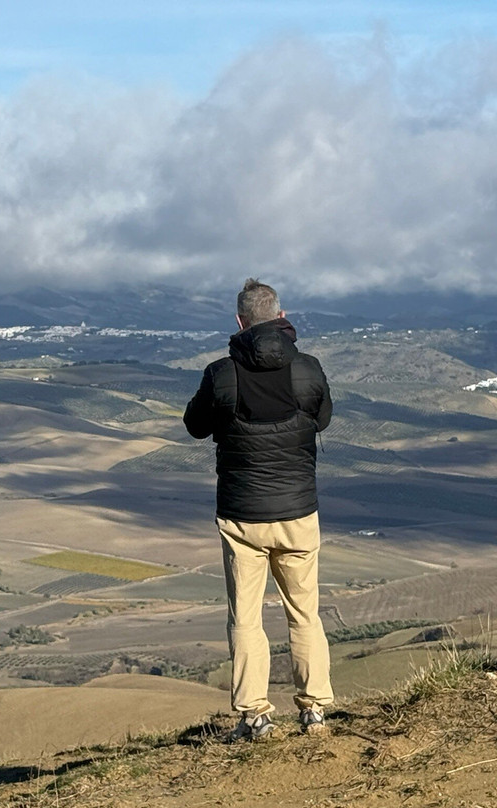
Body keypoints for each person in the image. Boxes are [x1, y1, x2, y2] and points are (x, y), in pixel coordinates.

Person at [184, 278, 333, 739]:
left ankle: (255, 716)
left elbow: (194, 425)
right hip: (297, 512)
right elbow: (323, 418)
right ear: (281, 314)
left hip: (242, 515)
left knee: (245, 617)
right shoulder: (307, 369)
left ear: (239, 321)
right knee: (304, 612)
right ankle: (314, 710)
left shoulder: (221, 373)